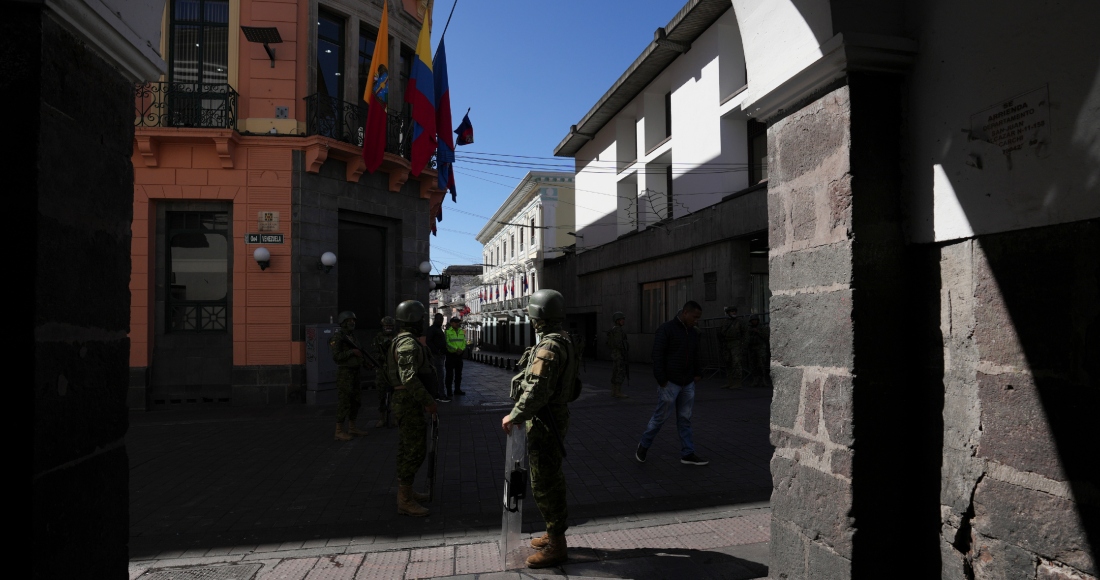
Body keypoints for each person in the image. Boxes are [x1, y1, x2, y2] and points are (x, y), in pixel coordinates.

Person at [501, 289, 581, 568]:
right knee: (549, 476)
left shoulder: (548, 347)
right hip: (553, 415)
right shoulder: (563, 340)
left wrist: (516, 414)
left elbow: (537, 389)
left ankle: (557, 545)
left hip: (546, 420)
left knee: (545, 482)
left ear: (536, 316)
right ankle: (552, 531)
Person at [635, 301, 708, 466]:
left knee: (685, 418)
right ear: (685, 313)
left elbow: (696, 354)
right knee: (660, 417)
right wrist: (662, 379)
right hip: (670, 382)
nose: (696, 320)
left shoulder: (693, 333)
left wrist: (697, 373)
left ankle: (688, 453)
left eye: (698, 318)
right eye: (695, 317)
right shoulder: (666, 329)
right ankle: (644, 445)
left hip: (687, 382)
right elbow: (657, 355)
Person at [386, 300, 438, 516]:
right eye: (421, 318)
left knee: (407, 449)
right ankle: (405, 499)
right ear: (413, 320)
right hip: (409, 402)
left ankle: (406, 492)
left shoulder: (407, 341)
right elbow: (409, 378)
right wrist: (428, 401)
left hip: (409, 401)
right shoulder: (407, 343)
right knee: (414, 451)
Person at [330, 311, 370, 441]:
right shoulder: (338, 338)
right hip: (345, 373)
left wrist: (367, 364)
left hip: (355, 372)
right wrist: (351, 352)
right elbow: (336, 357)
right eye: (349, 320)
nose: (352, 323)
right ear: (343, 323)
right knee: (344, 402)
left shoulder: (352, 337)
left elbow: (360, 353)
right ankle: (339, 431)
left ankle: (352, 427)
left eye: (353, 320)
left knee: (355, 401)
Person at [372, 316, 398, 427]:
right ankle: (382, 418)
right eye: (386, 326)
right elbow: (374, 353)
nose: (388, 328)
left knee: (396, 395)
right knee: (381, 394)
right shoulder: (378, 338)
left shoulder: (397, 338)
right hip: (382, 369)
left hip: (395, 370)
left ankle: (396, 418)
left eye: (390, 326)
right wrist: (383, 357)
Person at [718, 306, 747, 389]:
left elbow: (745, 333)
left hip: (736, 344)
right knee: (728, 362)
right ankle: (729, 382)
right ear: (728, 313)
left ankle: (738, 382)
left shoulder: (739, 322)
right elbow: (720, 333)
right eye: (731, 311)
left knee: (736, 362)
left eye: (734, 311)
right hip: (726, 344)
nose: (734, 313)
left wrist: (743, 345)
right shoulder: (724, 322)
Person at [605, 312, 629, 398]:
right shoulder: (618, 330)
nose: (623, 321)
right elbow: (619, 343)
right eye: (622, 319)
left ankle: (614, 391)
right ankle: (617, 391)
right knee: (620, 372)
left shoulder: (613, 329)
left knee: (615, 372)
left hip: (615, 354)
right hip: (619, 354)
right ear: (617, 321)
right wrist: (624, 350)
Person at [426, 313, 449, 402]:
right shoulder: (432, 329)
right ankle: (441, 395)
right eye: (439, 319)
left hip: (440, 355)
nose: (441, 321)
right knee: (439, 375)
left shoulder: (438, 329)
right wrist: (437, 351)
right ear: (435, 319)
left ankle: (437, 394)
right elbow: (429, 341)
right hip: (436, 356)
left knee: (439, 375)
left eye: (442, 319)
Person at [746, 315, 772, 388]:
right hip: (752, 348)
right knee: (753, 365)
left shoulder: (762, 327)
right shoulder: (749, 328)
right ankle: (755, 380)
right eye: (752, 320)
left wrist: (758, 331)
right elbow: (746, 338)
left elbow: (766, 336)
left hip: (760, 348)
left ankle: (763, 380)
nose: (754, 321)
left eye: (755, 320)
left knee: (761, 365)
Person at [445, 317, 467, 396]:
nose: (458, 323)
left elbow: (464, 342)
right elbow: (447, 343)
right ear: (451, 323)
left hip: (459, 356)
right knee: (449, 374)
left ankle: (457, 389)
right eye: (456, 322)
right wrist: (456, 349)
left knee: (459, 374)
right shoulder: (447, 332)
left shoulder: (461, 331)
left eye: (458, 322)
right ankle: (449, 391)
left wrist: (462, 349)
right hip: (451, 355)